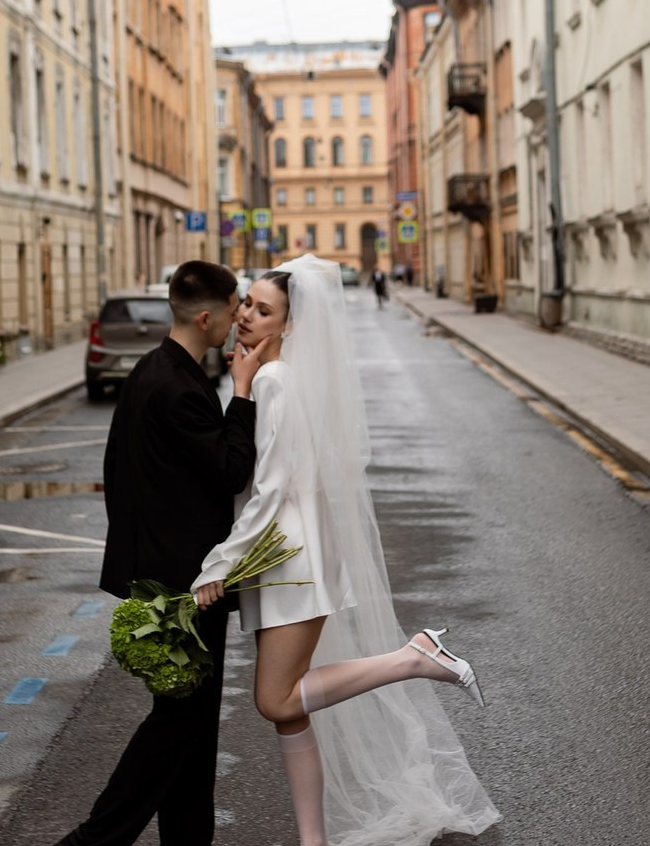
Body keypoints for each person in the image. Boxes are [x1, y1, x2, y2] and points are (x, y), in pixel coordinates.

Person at [193, 256, 499, 846]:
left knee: (273, 699)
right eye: (247, 306)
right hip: (290, 554)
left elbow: (270, 488)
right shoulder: (277, 375)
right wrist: (239, 385)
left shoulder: (277, 381)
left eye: (263, 310)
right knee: (290, 710)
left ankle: (412, 657)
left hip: (288, 558)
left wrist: (219, 563)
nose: (246, 318)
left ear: (289, 325)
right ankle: (314, 840)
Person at [55, 260, 272, 846]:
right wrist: (244, 393)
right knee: (178, 724)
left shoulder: (154, 371)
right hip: (184, 586)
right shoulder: (179, 389)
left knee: (194, 733)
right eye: (234, 310)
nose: (238, 320)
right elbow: (230, 469)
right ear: (207, 317)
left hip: (164, 574)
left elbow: (117, 471)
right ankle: (93, 839)